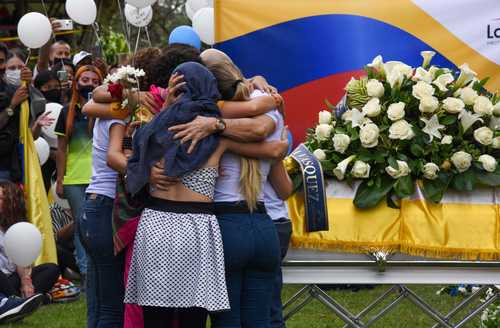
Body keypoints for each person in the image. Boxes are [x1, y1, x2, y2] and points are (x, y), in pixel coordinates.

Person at [125, 62, 288, 328]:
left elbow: (129, 167)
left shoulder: (150, 131)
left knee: (155, 317)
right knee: (194, 315)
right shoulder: (214, 132)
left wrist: (165, 110)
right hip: (196, 227)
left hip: (154, 224)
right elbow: (268, 146)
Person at [54, 65, 103, 289]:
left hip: (99, 176)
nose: (89, 84)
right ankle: (86, 274)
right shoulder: (66, 111)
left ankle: (99, 271)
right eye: (85, 79)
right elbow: (61, 149)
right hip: (74, 178)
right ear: (76, 82)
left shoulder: (106, 109)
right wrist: (61, 179)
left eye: (94, 80)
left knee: (97, 225)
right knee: (81, 226)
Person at [0, 182, 59, 301]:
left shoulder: (19, 227)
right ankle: (20, 301)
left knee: (52, 269)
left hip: (12, 277)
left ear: (11, 202)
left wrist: (26, 282)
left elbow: (22, 261)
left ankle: (22, 299)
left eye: (0, 198)